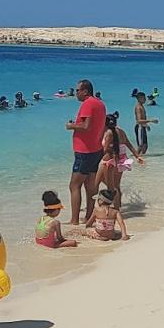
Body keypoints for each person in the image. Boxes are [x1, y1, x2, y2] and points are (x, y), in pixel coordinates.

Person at [65, 79, 106, 226]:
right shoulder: (100, 103)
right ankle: (89, 217)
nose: (76, 93)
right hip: (96, 149)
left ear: (85, 91)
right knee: (90, 186)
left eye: (77, 90)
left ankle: (74, 220)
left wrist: (71, 126)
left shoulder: (88, 104)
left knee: (74, 185)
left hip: (85, 151)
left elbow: (86, 125)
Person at [95, 112, 145, 209]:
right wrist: (137, 156)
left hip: (108, 161)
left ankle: (98, 208)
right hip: (121, 160)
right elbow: (128, 144)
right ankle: (117, 207)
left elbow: (105, 150)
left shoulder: (109, 133)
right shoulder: (121, 131)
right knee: (116, 186)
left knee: (96, 184)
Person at [133, 91, 157, 155]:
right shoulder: (138, 107)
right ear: (139, 98)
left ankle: (141, 157)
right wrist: (151, 120)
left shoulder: (141, 106)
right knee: (141, 146)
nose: (145, 100)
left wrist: (146, 125)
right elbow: (139, 120)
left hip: (142, 127)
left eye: (145, 98)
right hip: (139, 127)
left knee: (145, 146)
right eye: (143, 98)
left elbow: (142, 119)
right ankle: (137, 158)